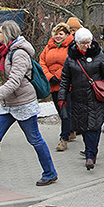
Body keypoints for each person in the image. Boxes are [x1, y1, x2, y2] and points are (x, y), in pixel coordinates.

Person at [0, 21, 57, 188]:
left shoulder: (19, 53)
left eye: (0, 32)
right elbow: (6, 80)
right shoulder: (4, 52)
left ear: (7, 34)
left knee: (34, 139)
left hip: (23, 102)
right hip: (7, 103)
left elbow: (14, 81)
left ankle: (50, 173)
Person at [59, 28, 104, 170]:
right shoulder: (70, 58)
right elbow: (65, 80)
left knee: (94, 126)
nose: (87, 45)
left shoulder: (98, 55)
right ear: (77, 43)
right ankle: (90, 151)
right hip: (78, 98)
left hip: (96, 97)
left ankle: (90, 155)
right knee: (84, 128)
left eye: (89, 42)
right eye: (84, 43)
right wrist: (62, 97)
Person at [39, 22, 75, 151]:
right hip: (53, 84)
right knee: (60, 111)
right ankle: (71, 130)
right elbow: (42, 62)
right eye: (56, 34)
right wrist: (49, 76)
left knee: (65, 111)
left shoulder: (71, 46)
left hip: (66, 84)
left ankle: (63, 139)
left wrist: (58, 75)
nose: (58, 36)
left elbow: (70, 61)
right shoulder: (48, 47)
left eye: (61, 34)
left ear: (66, 34)